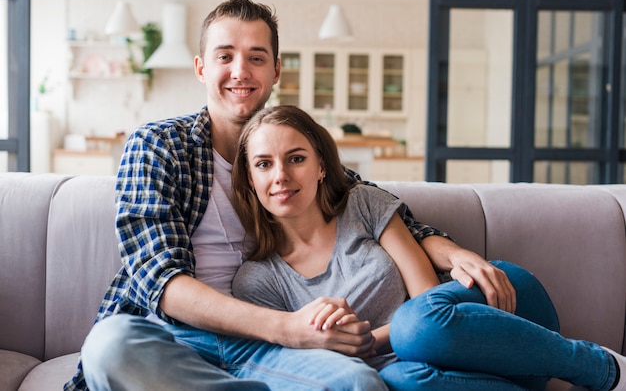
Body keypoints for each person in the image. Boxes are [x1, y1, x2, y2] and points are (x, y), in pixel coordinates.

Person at [65, 0, 518, 391]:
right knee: (109, 345)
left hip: (266, 350)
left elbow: (375, 207)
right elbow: (159, 281)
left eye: (256, 57)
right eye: (225, 56)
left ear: (276, 70)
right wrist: (290, 329)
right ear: (201, 67)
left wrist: (449, 250)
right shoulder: (159, 147)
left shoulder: (293, 155)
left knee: (358, 382)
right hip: (180, 339)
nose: (240, 71)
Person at [231, 104, 626, 391]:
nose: (281, 176)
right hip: (446, 378)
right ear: (250, 180)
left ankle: (603, 367)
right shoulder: (259, 281)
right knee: (400, 381)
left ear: (320, 166)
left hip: (496, 308)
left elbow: (427, 299)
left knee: (414, 327)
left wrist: (361, 340)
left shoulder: (361, 203)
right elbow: (300, 361)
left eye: (295, 158)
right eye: (264, 164)